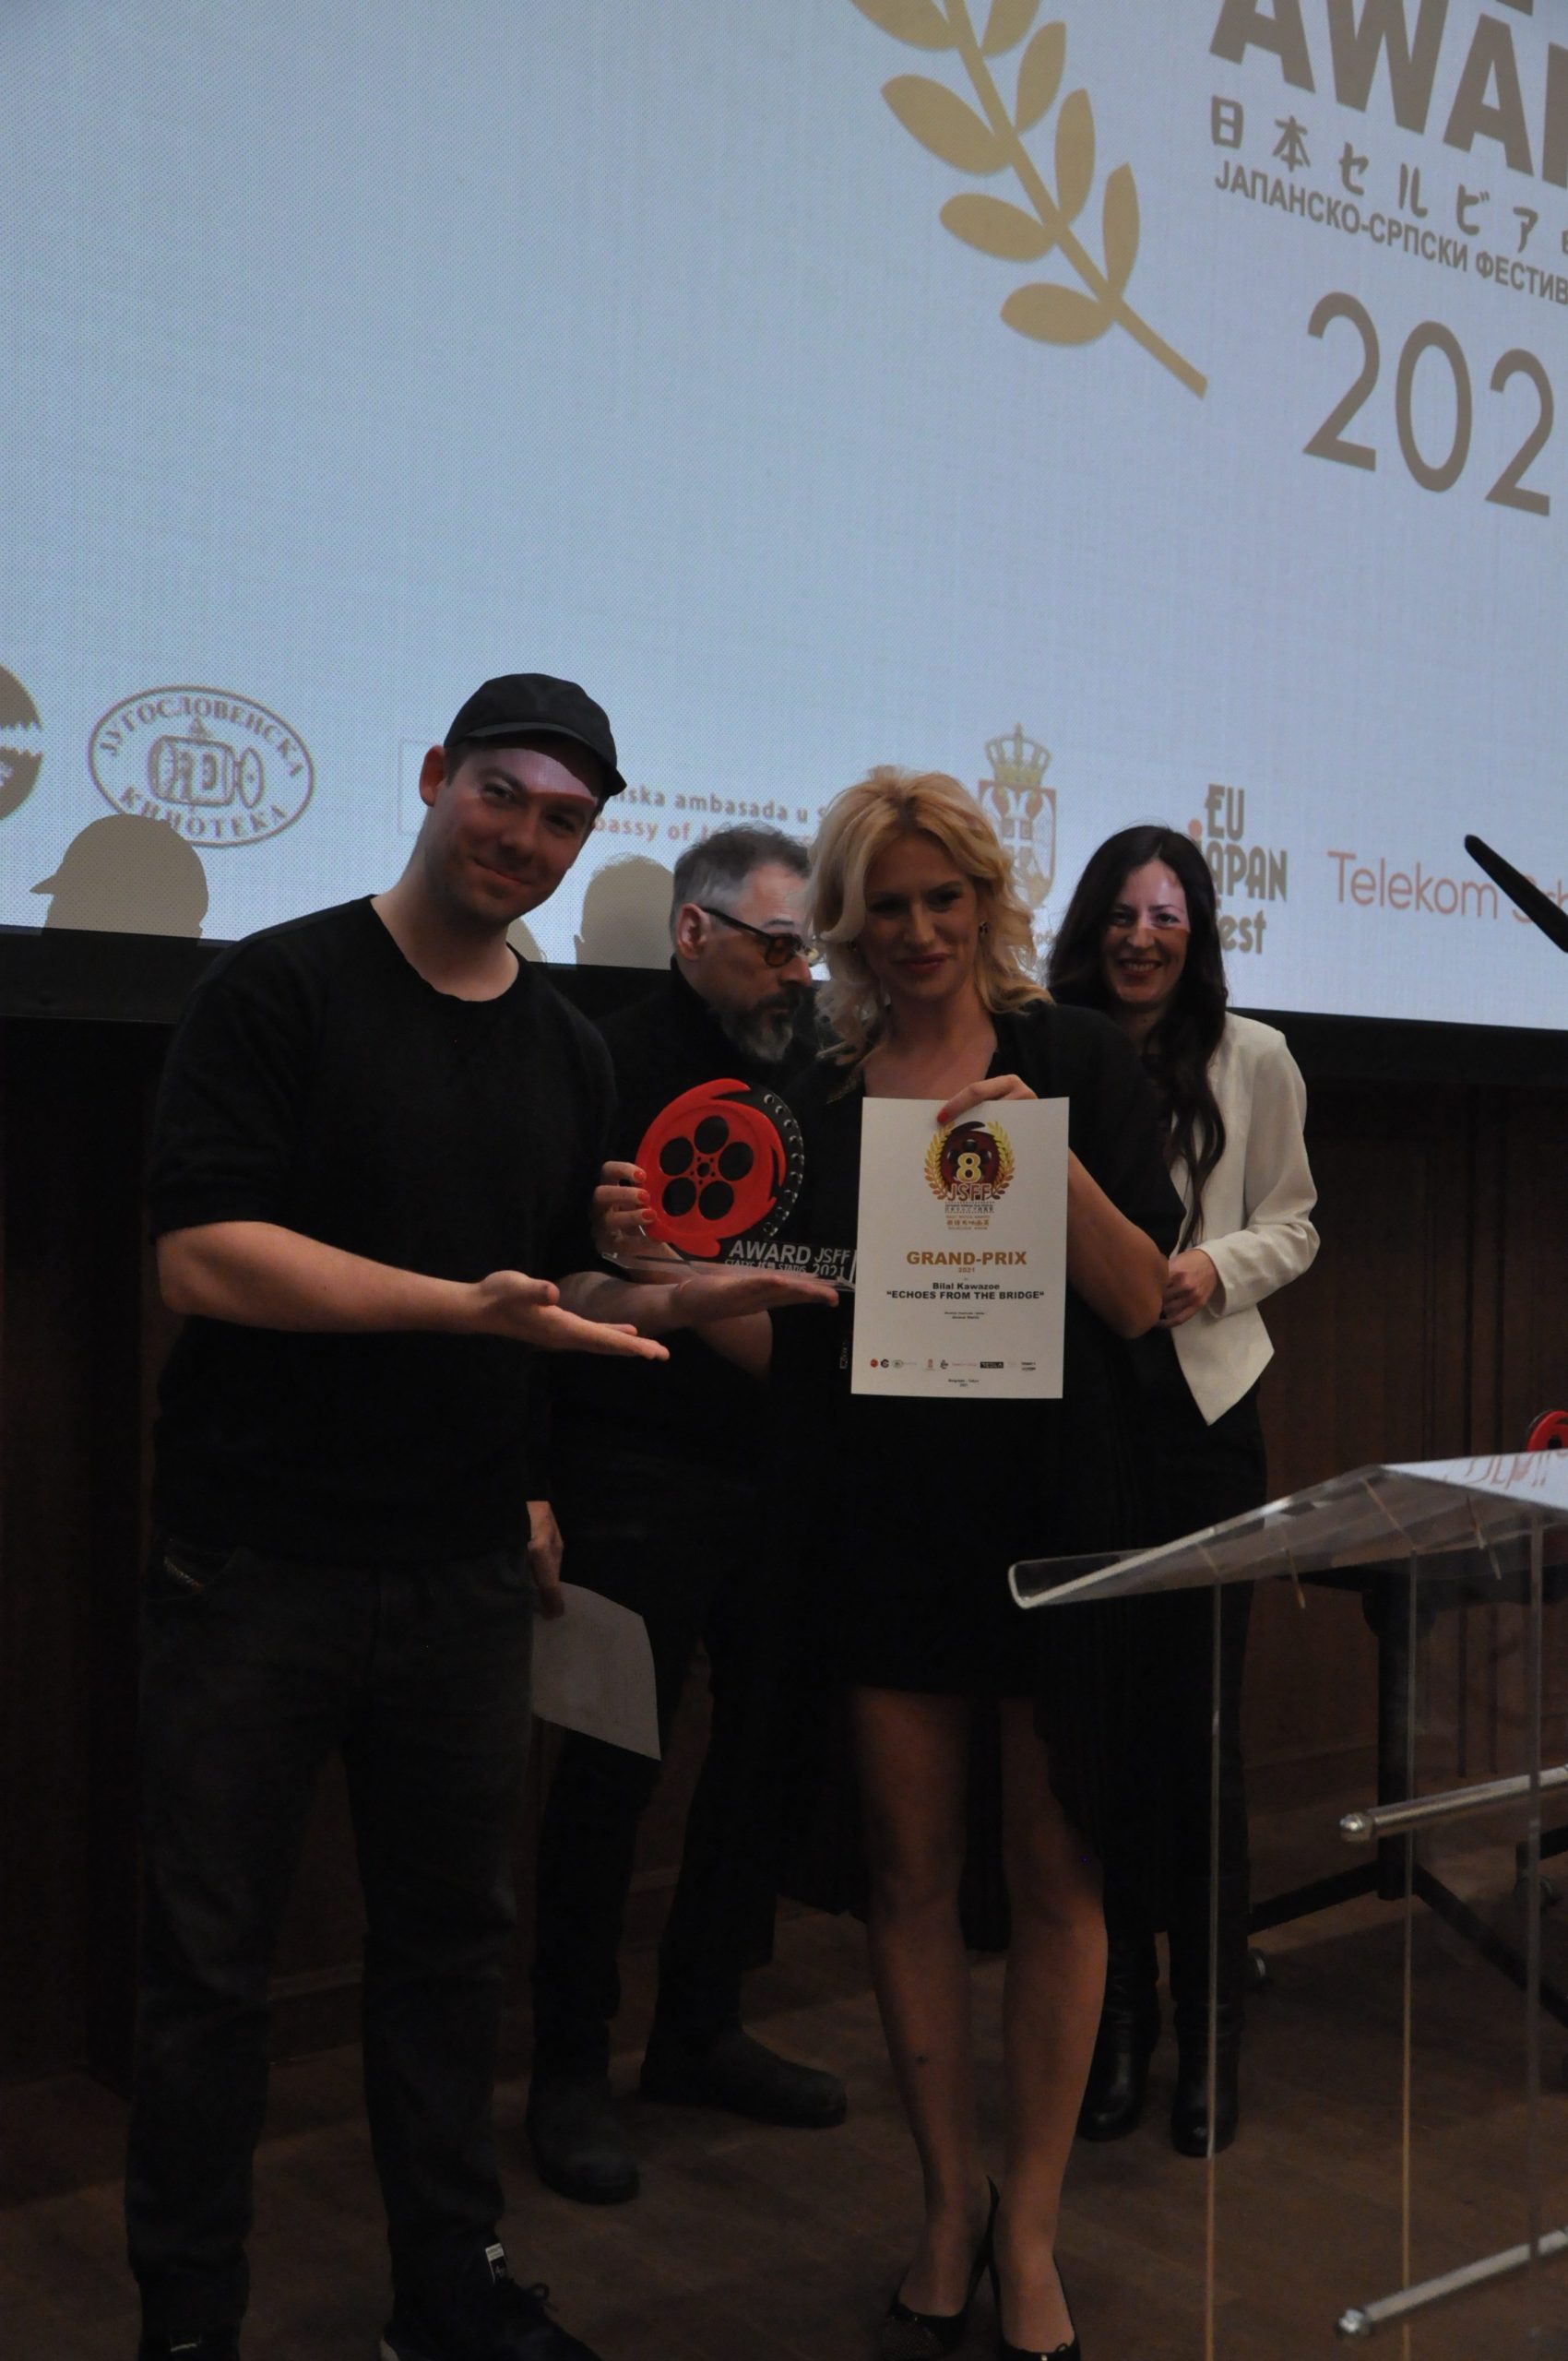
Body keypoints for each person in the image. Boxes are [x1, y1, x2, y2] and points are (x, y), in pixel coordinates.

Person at [127, 674, 832, 2361]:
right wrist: (461, 1308)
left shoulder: (565, 1048)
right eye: (501, 792)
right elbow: (203, 1257)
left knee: (451, 1956)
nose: (524, 835)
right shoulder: (278, 985)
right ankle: (189, 2323)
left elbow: (557, 1294)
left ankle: (449, 2296)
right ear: (436, 776)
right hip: (255, 1565)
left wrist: (678, 1297)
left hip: (461, 1571)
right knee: (209, 1972)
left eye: (563, 819)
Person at [747, 769, 1180, 2361]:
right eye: (890, 906)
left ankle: (1034, 2229)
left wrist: (1041, 1165)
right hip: (885, 1521)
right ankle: (947, 2209)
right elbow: (790, 1351)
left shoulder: (1078, 1060)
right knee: (907, 1870)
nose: (920, 930)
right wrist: (681, 1274)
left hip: (1054, 1513)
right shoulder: (817, 1096)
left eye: (947, 899)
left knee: (1060, 1873)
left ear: (988, 904)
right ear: (849, 924)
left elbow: (1139, 1301)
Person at [526, 825, 847, 2205]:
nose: (801, 972)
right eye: (777, 945)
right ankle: (565, 2067)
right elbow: (548, 1282)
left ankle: (701, 2029)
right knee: (609, 1773)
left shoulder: (829, 1070)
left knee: (765, 1761)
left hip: (793, 1465)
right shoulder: (600, 1063)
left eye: (811, 948)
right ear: (693, 933)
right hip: (632, 1464)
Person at [1047, 825, 1318, 2157]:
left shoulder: (1254, 1055)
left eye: (1166, 916)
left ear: (1198, 933)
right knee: (1096, 1743)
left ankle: (1210, 2042)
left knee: (1199, 1744)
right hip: (1075, 1422)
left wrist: (1215, 1269)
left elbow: (1296, 1219)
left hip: (1205, 1420)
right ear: (1090, 926)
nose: (1142, 937)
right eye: (1121, 913)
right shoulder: (1044, 1051)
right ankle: (1119, 2030)